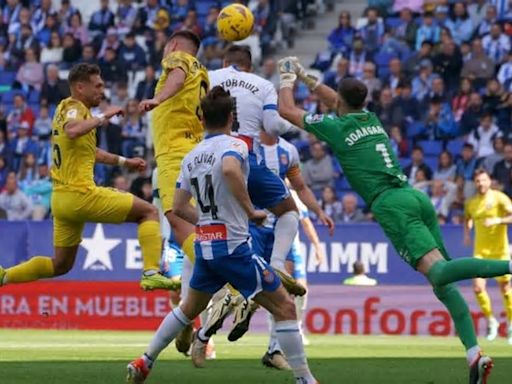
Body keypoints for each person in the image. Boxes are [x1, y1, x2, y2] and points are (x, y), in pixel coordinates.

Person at [277, 58, 512, 382]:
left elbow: (287, 111)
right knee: (443, 285)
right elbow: (336, 100)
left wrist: (287, 79)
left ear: (342, 104)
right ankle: (474, 354)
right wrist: (306, 77)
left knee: (441, 271)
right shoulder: (369, 117)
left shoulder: (337, 126)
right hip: (415, 197)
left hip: (391, 204)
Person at [126, 86, 318, 384]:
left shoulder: (191, 156)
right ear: (232, 117)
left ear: (201, 119)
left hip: (206, 246)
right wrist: (249, 210)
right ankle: (305, 380)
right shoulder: (236, 146)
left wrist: (205, 222)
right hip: (233, 248)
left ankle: (145, 360)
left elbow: (177, 207)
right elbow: (229, 169)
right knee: (284, 306)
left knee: (188, 308)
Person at [0, 63, 177, 292]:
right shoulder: (74, 108)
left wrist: (124, 162)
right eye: (97, 86)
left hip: (61, 201)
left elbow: (89, 151)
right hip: (80, 194)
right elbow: (73, 130)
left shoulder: (64, 108)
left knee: (61, 264)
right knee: (149, 212)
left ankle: (4, 276)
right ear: (80, 87)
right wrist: (104, 116)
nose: (101, 91)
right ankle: (151, 272)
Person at [138, 31, 208, 290]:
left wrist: (157, 98)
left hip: (174, 152)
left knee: (176, 217)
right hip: (196, 150)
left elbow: (176, 75)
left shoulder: (178, 58)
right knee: (196, 218)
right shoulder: (203, 74)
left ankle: (222, 276)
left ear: (173, 45)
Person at [464, 169, 512, 344]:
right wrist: (467, 232)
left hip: (500, 251)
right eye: (477, 181)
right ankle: (492, 321)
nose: (480, 184)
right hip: (481, 252)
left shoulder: (499, 198)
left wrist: (498, 220)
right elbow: (467, 217)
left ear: (489, 181)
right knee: (477, 287)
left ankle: (511, 325)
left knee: (505, 289)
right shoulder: (472, 202)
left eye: (483, 180)